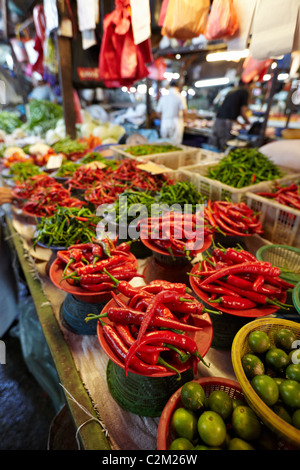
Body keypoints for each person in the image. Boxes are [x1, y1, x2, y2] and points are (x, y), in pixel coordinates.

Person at [209, 79, 251, 151]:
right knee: (225, 145)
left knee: (214, 144)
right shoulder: (244, 92)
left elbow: (230, 113)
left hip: (218, 120)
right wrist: (248, 123)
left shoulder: (231, 92)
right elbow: (242, 112)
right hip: (226, 124)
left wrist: (241, 124)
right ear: (247, 85)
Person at [156, 80, 187, 145]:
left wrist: (164, 118)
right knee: (176, 145)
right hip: (176, 123)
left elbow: (158, 112)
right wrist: (185, 121)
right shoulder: (180, 97)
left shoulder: (163, 97)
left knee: (164, 144)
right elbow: (185, 112)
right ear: (178, 87)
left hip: (164, 123)